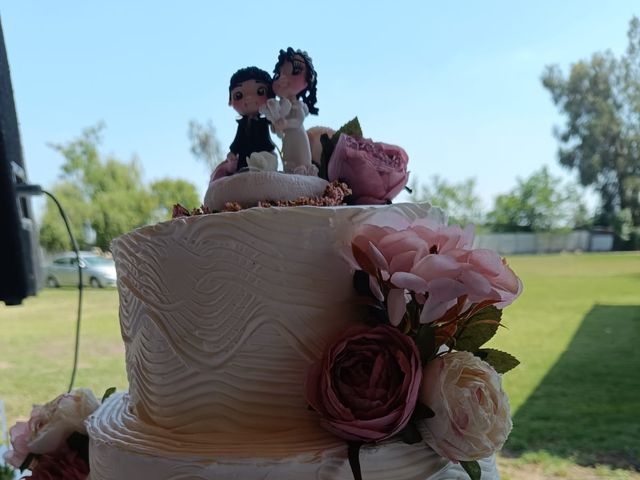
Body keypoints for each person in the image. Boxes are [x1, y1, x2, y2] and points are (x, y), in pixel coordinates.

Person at [260, 48, 318, 175]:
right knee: (289, 163)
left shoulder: (297, 105)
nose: (283, 78)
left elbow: (299, 121)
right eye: (278, 75)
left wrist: (286, 123)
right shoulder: (279, 107)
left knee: (301, 163)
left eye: (295, 71)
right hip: (287, 142)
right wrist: (276, 127)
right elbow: (278, 130)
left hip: (298, 139)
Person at [225, 66, 276, 173]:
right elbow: (238, 139)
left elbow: (268, 136)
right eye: (238, 95)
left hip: (263, 156)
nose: (249, 98)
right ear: (230, 101)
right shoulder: (242, 124)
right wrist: (233, 151)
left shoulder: (264, 122)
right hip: (244, 158)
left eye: (260, 91)